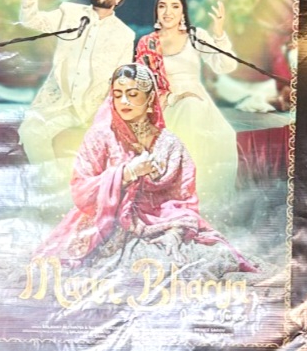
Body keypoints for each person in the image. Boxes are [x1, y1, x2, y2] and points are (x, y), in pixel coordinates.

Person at [35, 62, 256, 275]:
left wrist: (175, 232)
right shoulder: (101, 136)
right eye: (117, 94)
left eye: (132, 94)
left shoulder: (170, 144)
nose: (124, 101)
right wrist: (126, 173)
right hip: (106, 225)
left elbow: (184, 201)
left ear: (150, 98)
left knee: (211, 257)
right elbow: (80, 190)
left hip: (162, 224)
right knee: (132, 269)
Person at [17, 0, 135, 179]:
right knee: (30, 131)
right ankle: (54, 184)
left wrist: (105, 118)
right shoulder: (70, 12)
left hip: (89, 108)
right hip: (57, 101)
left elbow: (120, 82)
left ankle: (58, 185)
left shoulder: (124, 34)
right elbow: (30, 20)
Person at [134, 0, 241, 205]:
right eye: (162, 6)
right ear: (156, 10)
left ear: (183, 11)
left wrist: (219, 33)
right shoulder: (148, 42)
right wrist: (170, 98)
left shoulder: (195, 36)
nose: (168, 12)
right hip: (162, 104)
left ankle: (196, 196)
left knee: (197, 112)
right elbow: (142, 84)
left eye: (175, 6)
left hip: (195, 99)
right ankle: (171, 194)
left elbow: (225, 65)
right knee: (183, 114)